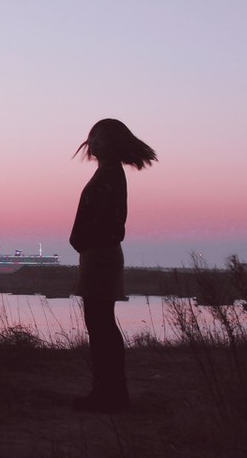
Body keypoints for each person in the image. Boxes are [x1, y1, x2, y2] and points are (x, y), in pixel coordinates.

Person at [69, 118, 156, 412]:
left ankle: (111, 394)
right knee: (99, 323)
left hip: (101, 254)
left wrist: (84, 240)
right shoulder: (108, 173)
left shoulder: (110, 174)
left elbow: (106, 221)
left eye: (99, 138)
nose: (92, 142)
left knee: (100, 324)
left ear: (111, 143)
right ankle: (108, 391)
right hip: (97, 253)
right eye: (91, 137)